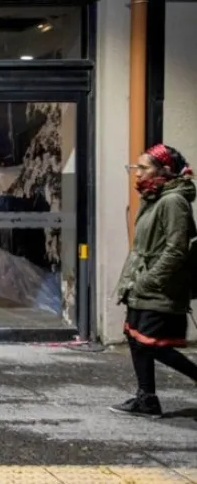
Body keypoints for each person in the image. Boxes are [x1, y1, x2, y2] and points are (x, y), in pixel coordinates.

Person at [111, 144, 197, 418]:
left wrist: (148, 281)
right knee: (136, 339)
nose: (137, 174)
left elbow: (176, 250)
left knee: (152, 343)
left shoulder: (173, 202)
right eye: (136, 168)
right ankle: (146, 398)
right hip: (142, 284)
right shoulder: (153, 198)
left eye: (144, 168)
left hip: (160, 288)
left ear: (164, 170)